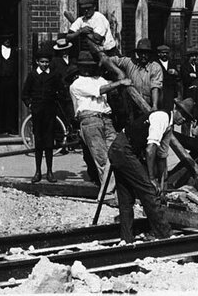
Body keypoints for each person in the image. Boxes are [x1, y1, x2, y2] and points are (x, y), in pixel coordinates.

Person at [107, 83, 173, 244]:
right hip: (124, 150)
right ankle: (164, 235)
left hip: (119, 149)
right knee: (148, 190)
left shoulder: (165, 121)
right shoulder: (162, 118)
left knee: (126, 197)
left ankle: (127, 238)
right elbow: (151, 149)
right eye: (184, 116)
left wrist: (162, 176)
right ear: (177, 112)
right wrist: (152, 178)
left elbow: (160, 154)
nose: (184, 120)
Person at [102, 39, 168, 188]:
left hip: (148, 109)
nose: (144, 57)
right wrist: (109, 66)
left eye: (146, 54)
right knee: (133, 143)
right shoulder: (128, 63)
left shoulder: (155, 67)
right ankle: (135, 176)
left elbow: (155, 87)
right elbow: (108, 60)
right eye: (141, 53)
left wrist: (154, 106)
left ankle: (154, 176)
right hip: (131, 109)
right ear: (137, 53)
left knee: (151, 144)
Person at [70, 50, 130, 184]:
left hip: (106, 119)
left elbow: (117, 79)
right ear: (79, 67)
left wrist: (110, 64)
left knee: (116, 154)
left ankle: (116, 191)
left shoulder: (100, 79)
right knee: (102, 159)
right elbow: (100, 90)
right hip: (90, 120)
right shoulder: (77, 84)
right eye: (84, 66)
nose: (87, 69)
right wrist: (120, 83)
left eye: (90, 65)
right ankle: (108, 194)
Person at [21, 47, 58, 183]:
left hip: (50, 112)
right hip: (37, 113)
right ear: (37, 62)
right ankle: (38, 171)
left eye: (47, 62)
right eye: (42, 62)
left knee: (49, 142)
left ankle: (49, 171)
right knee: (39, 142)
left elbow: (60, 92)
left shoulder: (54, 76)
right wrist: (31, 105)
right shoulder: (32, 76)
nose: (44, 64)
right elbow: (24, 94)